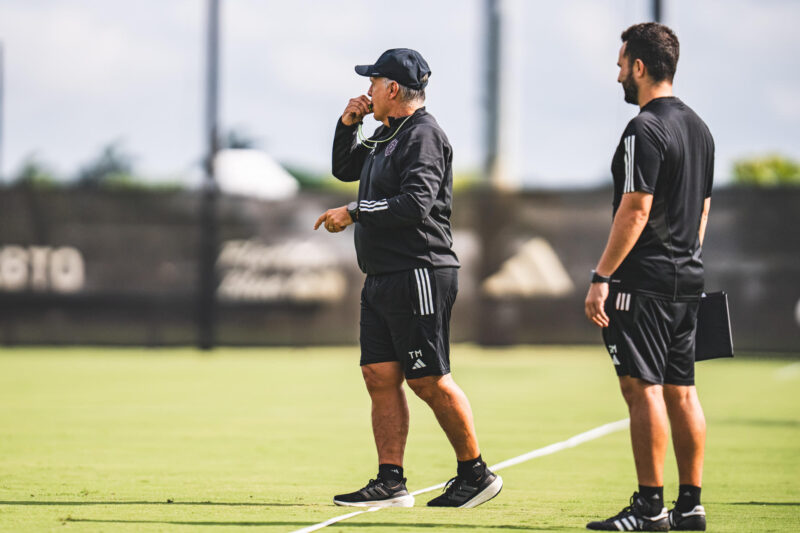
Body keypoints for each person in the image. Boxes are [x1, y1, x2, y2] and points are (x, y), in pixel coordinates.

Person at [314, 48, 502, 509]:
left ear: (393, 88)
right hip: (382, 276)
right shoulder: (386, 134)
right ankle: (390, 482)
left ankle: (475, 473)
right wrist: (347, 124)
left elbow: (415, 204)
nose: (368, 90)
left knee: (428, 379)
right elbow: (344, 169)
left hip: (420, 271)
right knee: (379, 375)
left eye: (374, 83)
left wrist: (354, 211)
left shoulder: (423, 135)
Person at [583, 23, 714, 531]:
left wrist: (602, 276)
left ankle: (650, 506)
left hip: (643, 285)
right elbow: (701, 210)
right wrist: (684, 261)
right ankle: (691, 505)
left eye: (621, 64)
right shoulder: (700, 128)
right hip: (687, 280)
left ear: (639, 66)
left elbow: (637, 208)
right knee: (683, 390)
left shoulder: (644, 128)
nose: (617, 73)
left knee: (644, 390)